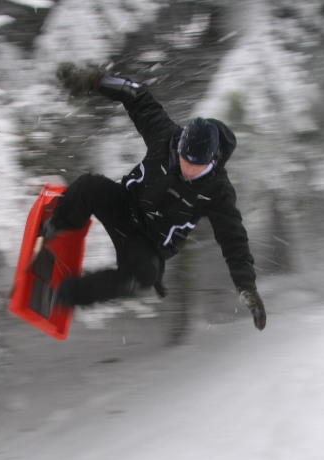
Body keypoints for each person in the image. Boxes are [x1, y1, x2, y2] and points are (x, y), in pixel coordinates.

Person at [45, 63, 266, 331]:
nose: (186, 168)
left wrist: (246, 286)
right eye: (184, 158)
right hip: (125, 206)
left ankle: (64, 295)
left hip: (149, 242)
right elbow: (137, 96)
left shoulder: (217, 191)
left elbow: (234, 240)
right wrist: (94, 80)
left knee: (143, 277)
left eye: (195, 165)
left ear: (213, 159)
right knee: (89, 186)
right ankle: (58, 224)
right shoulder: (166, 138)